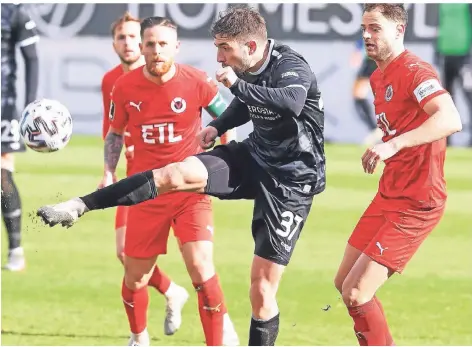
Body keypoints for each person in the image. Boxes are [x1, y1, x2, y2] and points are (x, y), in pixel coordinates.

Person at [37, 6, 325, 346]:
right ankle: (79, 205)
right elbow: (244, 106)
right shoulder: (239, 66)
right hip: (254, 156)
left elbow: (290, 102)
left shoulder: (290, 65)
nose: (218, 57)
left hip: (292, 180)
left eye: (224, 48)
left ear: (250, 47)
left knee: (261, 291)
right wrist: (218, 125)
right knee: (173, 174)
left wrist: (236, 87)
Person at [333, 4, 462, 346]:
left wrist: (394, 145)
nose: (366, 35)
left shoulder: (416, 71)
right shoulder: (377, 77)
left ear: (399, 30)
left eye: (375, 28)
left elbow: (450, 119)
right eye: (363, 28)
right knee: (344, 282)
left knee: (357, 293)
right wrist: (387, 144)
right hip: (389, 193)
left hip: (418, 202)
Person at [100, 12, 190, 339]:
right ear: (114, 43)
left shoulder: (160, 74)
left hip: (170, 178)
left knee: (197, 258)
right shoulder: (112, 81)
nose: (129, 43)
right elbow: (112, 130)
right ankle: (169, 294)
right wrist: (108, 172)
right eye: (122, 37)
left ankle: (221, 326)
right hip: (133, 176)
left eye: (133, 37)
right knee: (125, 254)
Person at [1, 4, 40, 271]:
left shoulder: (13, 11)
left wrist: (29, 106)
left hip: (3, 103)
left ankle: (15, 249)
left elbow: (32, 58)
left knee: (2, 172)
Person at [435, 3, 472, 146]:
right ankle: (447, 138)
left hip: (464, 56)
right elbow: (440, 24)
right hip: (446, 54)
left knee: (469, 97)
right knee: (447, 99)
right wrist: (436, 49)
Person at [350, 38, 383, 145]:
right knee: (358, 96)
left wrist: (358, 49)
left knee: (358, 95)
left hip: (373, 60)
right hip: (372, 60)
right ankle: (375, 130)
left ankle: (376, 130)